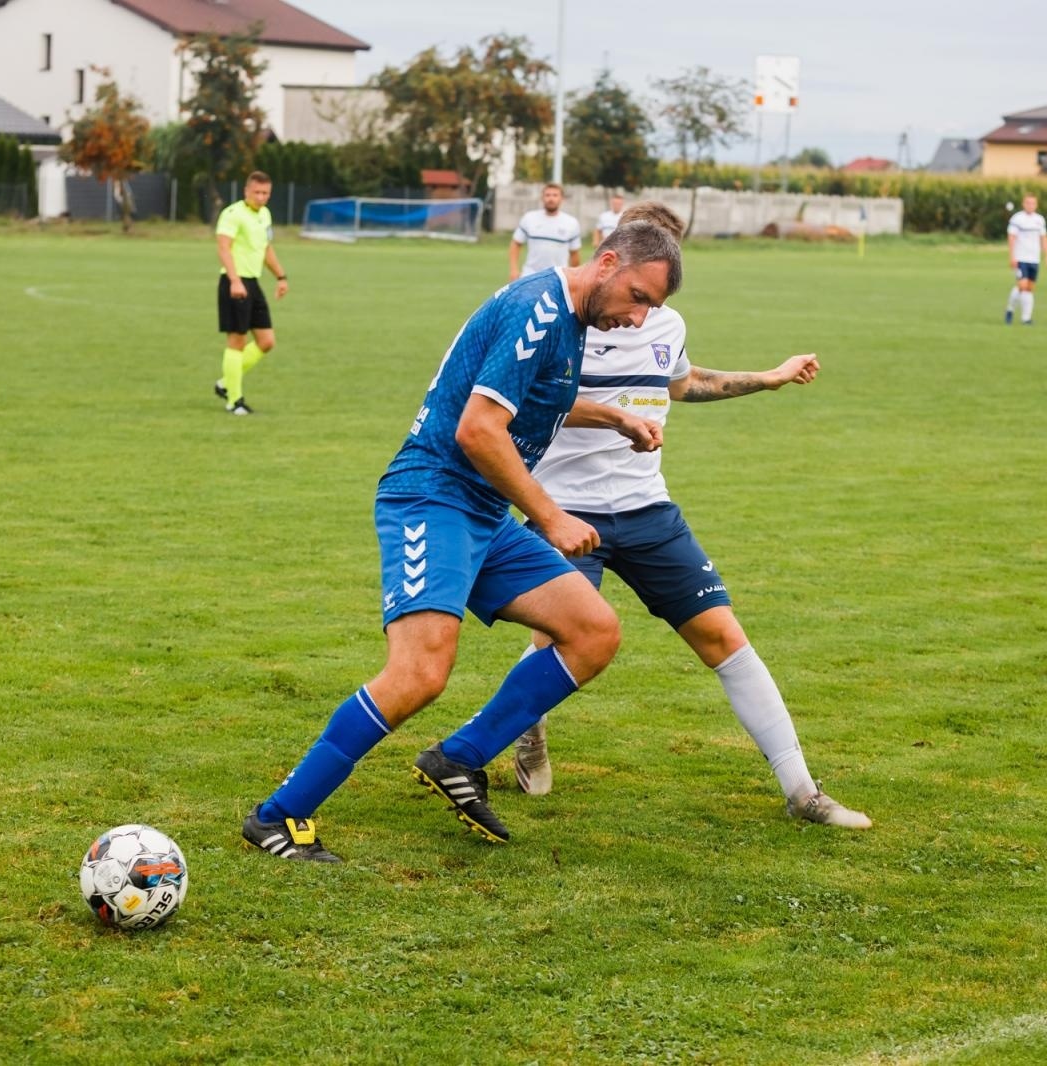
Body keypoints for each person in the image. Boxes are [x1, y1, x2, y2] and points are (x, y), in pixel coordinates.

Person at [241, 221, 684, 862]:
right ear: (607, 262)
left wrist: (615, 415)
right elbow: (479, 429)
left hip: (482, 512)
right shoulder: (537, 308)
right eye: (638, 297)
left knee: (593, 631)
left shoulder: (572, 322)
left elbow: (539, 399)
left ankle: (459, 758)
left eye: (653, 308)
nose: (639, 319)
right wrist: (552, 517)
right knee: (420, 672)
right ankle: (277, 817)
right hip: (432, 498)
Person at [512, 201, 871, 829]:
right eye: (642, 285)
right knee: (557, 644)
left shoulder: (665, 324)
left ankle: (803, 792)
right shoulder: (551, 315)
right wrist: (617, 417)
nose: (645, 305)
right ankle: (520, 734)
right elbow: (517, 402)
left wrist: (769, 377)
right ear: (613, 251)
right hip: (565, 512)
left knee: (723, 637)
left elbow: (680, 383)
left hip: (649, 511)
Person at [213, 171, 288, 416]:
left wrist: (280, 276)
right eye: (257, 192)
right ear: (246, 191)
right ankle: (234, 400)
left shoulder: (264, 215)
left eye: (265, 193)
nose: (261, 197)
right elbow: (224, 248)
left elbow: (266, 248)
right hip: (234, 282)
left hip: (253, 283)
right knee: (237, 341)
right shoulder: (233, 214)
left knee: (266, 341)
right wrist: (235, 281)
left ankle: (226, 382)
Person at [509, 182, 582, 280]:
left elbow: (575, 255)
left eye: (555, 195)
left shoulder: (571, 223)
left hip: (558, 279)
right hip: (530, 276)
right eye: (547, 195)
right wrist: (514, 269)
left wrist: (574, 277)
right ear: (542, 198)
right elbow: (516, 244)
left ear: (562, 199)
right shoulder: (529, 218)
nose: (551, 199)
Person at [1004, 194, 1047, 325]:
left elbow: (1043, 238)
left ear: (1036, 205)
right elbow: (1011, 238)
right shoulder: (1017, 219)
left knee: (1029, 288)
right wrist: (1012, 256)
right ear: (1023, 204)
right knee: (1022, 285)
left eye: (1033, 203)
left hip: (1034, 259)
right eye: (1028, 203)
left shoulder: (1039, 220)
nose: (1030, 205)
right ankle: (1015, 312)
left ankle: (1024, 317)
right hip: (1021, 258)